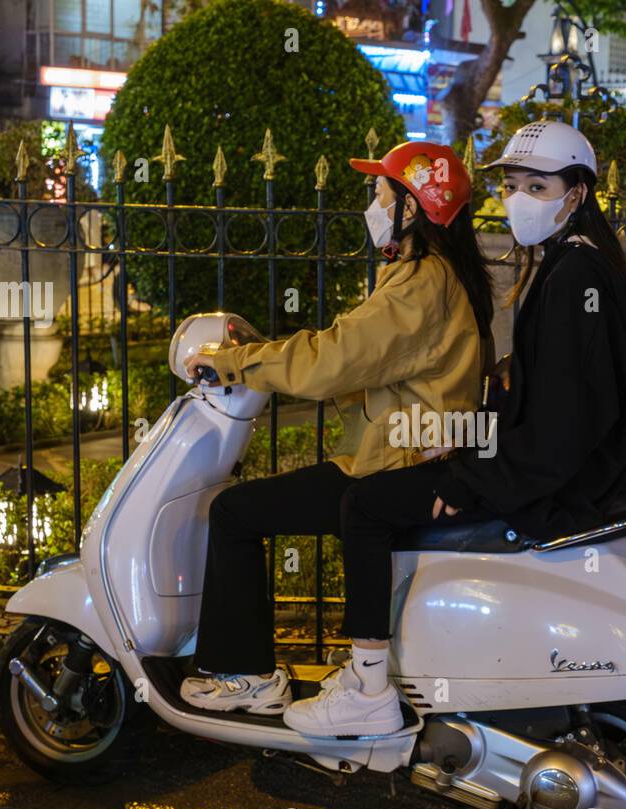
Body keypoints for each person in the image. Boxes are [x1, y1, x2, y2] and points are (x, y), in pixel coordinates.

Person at [335, 121, 626, 704]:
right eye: (512, 186)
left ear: (577, 194)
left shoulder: (575, 277)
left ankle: (366, 690)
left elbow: (567, 425)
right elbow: (553, 402)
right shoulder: (571, 263)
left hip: (567, 483)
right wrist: (471, 439)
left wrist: (472, 479)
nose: (519, 200)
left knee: (364, 504)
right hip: (564, 469)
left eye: (537, 187)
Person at [179, 141, 493, 736]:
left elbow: (337, 358)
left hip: (393, 463)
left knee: (234, 511)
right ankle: (270, 672)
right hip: (393, 453)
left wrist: (236, 362)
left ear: (412, 207)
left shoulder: (421, 283)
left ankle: (246, 674)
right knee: (243, 511)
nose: (372, 204)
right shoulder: (436, 275)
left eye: (381, 193)